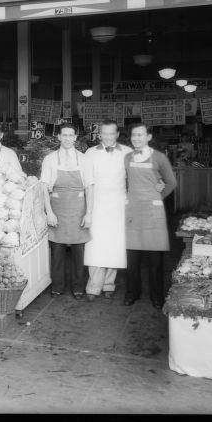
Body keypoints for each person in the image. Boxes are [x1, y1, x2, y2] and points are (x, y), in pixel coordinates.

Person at [123, 123, 178, 309]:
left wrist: (157, 197)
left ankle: (157, 296)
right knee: (132, 257)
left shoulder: (159, 157)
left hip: (153, 212)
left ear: (148, 137)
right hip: (133, 211)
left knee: (155, 259)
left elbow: (171, 182)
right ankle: (132, 293)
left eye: (140, 135)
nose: (136, 138)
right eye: (133, 135)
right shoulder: (127, 157)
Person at [40, 123, 94, 299]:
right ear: (59, 137)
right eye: (64, 135)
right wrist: (49, 212)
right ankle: (57, 286)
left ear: (75, 138)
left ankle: (78, 287)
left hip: (79, 209)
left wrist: (89, 213)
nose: (68, 139)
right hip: (57, 209)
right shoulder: (50, 159)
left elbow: (90, 188)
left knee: (79, 251)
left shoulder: (84, 159)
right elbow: (43, 187)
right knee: (57, 250)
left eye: (71, 135)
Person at [82, 120, 131, 301]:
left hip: (119, 204)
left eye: (112, 133)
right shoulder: (90, 153)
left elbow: (134, 179)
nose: (108, 137)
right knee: (95, 244)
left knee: (115, 245)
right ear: (99, 135)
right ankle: (93, 285)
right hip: (97, 203)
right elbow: (88, 182)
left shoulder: (127, 152)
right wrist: (88, 210)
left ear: (117, 134)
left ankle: (109, 284)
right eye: (105, 133)